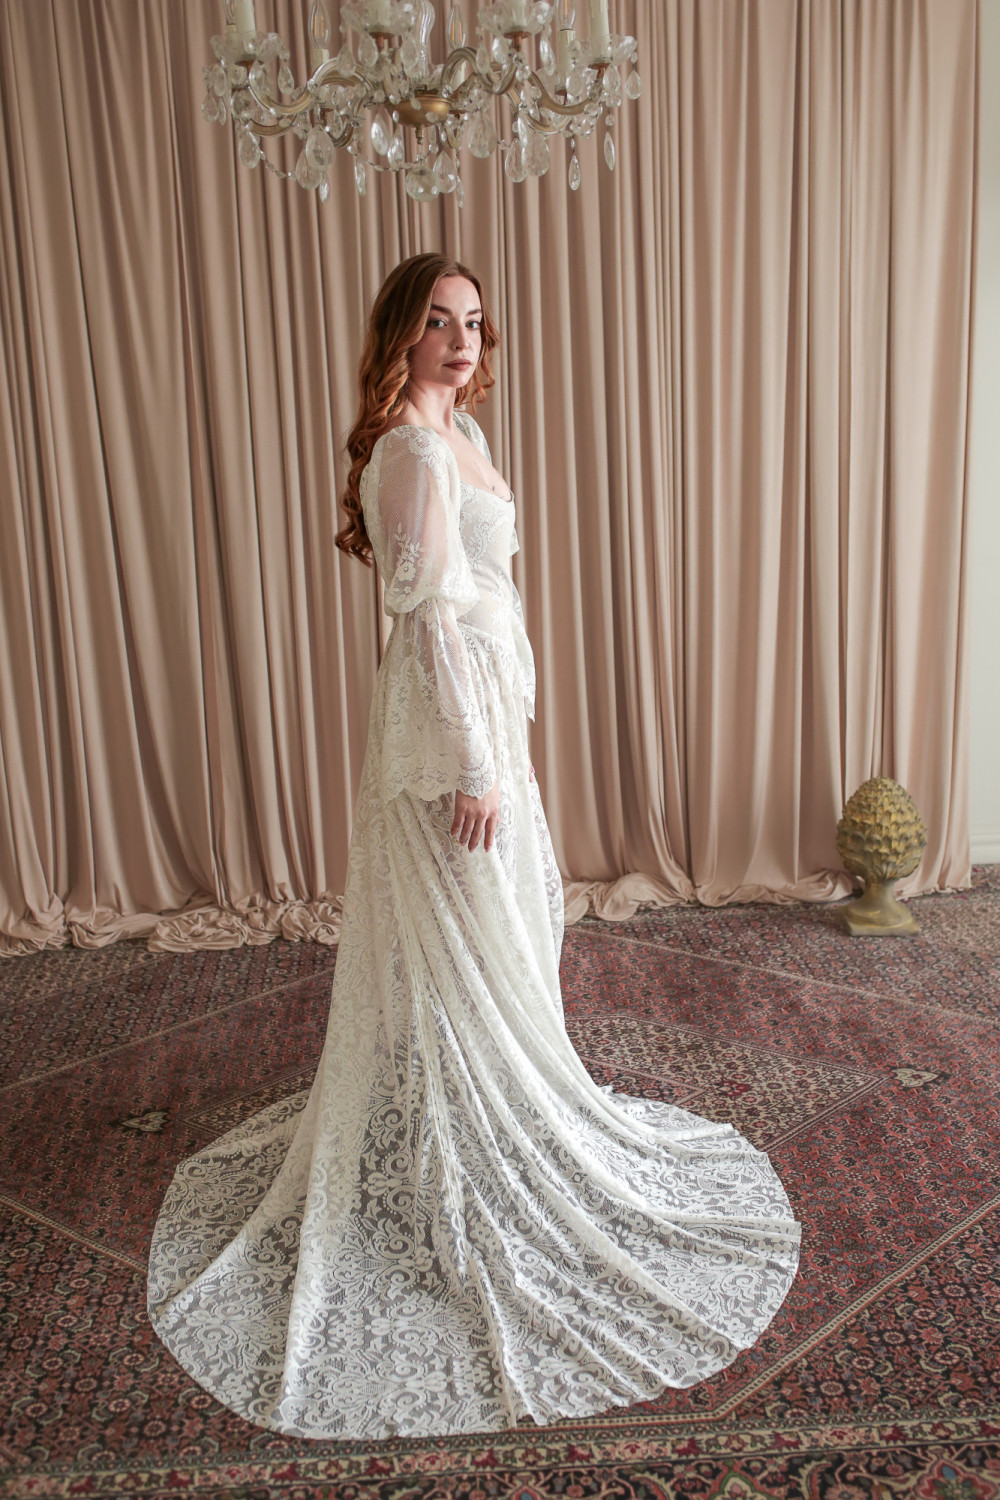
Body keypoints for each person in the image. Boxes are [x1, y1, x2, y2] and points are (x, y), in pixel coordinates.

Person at [147, 252, 800, 1441]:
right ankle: (463, 1152)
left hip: (490, 711)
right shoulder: (408, 450)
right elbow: (431, 618)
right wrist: (474, 763)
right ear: (401, 333)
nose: (462, 339)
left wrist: (511, 737)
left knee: (511, 927)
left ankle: (493, 1118)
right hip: (450, 730)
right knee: (468, 936)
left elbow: (487, 596)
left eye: (475, 322)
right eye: (440, 321)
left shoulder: (463, 434)